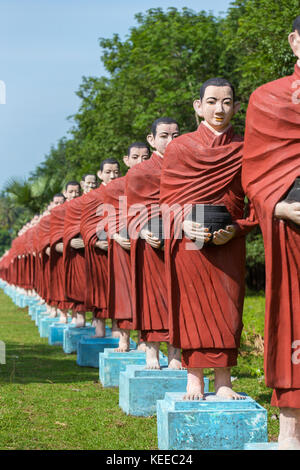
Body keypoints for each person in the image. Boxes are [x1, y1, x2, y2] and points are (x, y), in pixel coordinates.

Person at [160, 78, 256, 399]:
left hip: (229, 240)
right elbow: (166, 203)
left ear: (236, 107)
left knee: (229, 308)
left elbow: (256, 202)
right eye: (212, 102)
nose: (220, 109)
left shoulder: (246, 149)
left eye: (227, 102)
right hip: (191, 242)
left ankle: (224, 380)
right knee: (193, 306)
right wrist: (183, 225)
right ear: (198, 106)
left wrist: (239, 227)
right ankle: (195, 377)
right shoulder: (180, 147)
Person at [242, 17, 300, 449]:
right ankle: (291, 432)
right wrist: (276, 206)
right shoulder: (267, 98)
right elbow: (255, 174)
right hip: (291, 231)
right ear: (294, 41)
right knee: (293, 320)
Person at [126, 118, 182, 369]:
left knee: (178, 300)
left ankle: (176, 356)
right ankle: (151, 354)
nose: (170, 141)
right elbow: (128, 211)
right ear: (152, 139)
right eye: (164, 136)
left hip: (179, 241)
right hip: (150, 246)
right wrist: (141, 229)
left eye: (175, 135)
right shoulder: (139, 172)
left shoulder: (186, 167)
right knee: (152, 300)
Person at [104, 142, 150, 351]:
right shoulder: (115, 186)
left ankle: (145, 338)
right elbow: (107, 216)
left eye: (144, 157)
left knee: (147, 293)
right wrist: (114, 234)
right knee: (124, 292)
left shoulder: (156, 179)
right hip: (123, 245)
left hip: (148, 243)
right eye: (136, 157)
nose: (141, 161)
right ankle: (123, 338)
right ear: (127, 160)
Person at [81, 159, 121, 337]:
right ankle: (99, 331)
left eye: (116, 172)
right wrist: (96, 242)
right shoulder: (93, 196)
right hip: (99, 252)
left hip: (120, 250)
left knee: (120, 293)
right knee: (100, 291)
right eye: (108, 172)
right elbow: (86, 225)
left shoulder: (124, 191)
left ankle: (118, 332)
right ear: (100, 174)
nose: (112, 175)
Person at [63, 174, 97, 327]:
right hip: (79, 253)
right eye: (88, 183)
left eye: (93, 183)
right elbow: (68, 229)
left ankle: (98, 323)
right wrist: (71, 240)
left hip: (96, 251)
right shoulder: (75, 205)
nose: (90, 185)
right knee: (79, 289)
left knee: (98, 290)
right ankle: (79, 318)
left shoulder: (99, 200)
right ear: (83, 184)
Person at [49, 181, 81, 323]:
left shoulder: (83, 207)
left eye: (77, 192)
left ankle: (78, 316)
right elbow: (54, 239)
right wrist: (67, 245)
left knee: (80, 287)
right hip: (63, 256)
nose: (74, 195)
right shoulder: (57, 213)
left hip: (80, 255)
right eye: (71, 192)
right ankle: (63, 313)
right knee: (63, 285)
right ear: (66, 193)